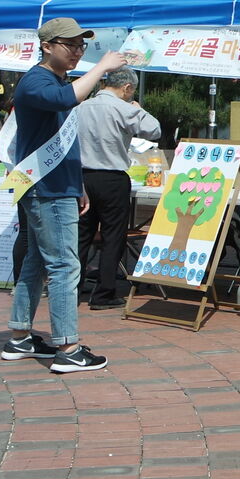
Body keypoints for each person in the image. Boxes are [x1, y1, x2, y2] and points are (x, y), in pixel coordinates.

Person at [1, 18, 128, 373]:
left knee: (37, 261)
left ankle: (20, 336)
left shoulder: (54, 80)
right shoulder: (36, 81)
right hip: (47, 188)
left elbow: (64, 141)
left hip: (54, 184)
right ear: (47, 46)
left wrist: (79, 185)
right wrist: (101, 67)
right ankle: (68, 348)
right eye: (69, 44)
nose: (77, 51)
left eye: (81, 45)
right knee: (64, 265)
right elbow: (68, 99)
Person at [75, 67, 161, 310]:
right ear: (127, 87)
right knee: (113, 236)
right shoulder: (124, 108)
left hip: (81, 177)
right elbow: (154, 129)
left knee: (81, 236)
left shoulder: (81, 107)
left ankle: (72, 289)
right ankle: (104, 293)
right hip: (112, 178)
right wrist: (138, 108)